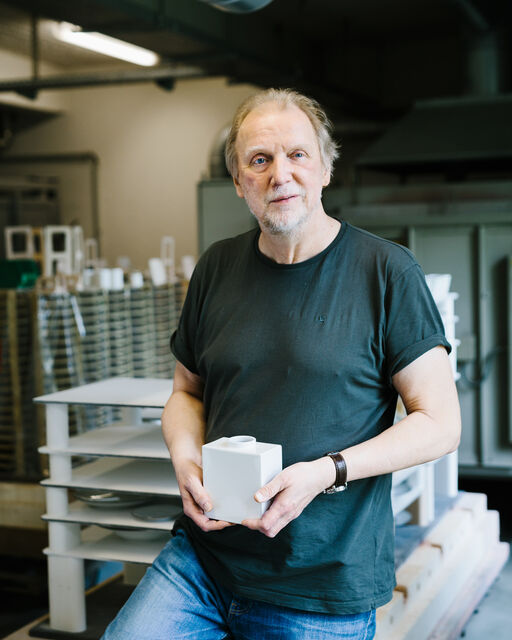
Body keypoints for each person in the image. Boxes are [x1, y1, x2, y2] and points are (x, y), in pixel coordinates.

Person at [101, 88, 461, 640]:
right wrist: (183, 456)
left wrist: (327, 471)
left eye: (297, 155)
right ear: (241, 181)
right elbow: (186, 392)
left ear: (325, 169)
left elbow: (440, 424)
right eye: (259, 160)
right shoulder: (217, 267)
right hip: (205, 562)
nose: (280, 175)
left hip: (319, 583)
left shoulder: (385, 272)